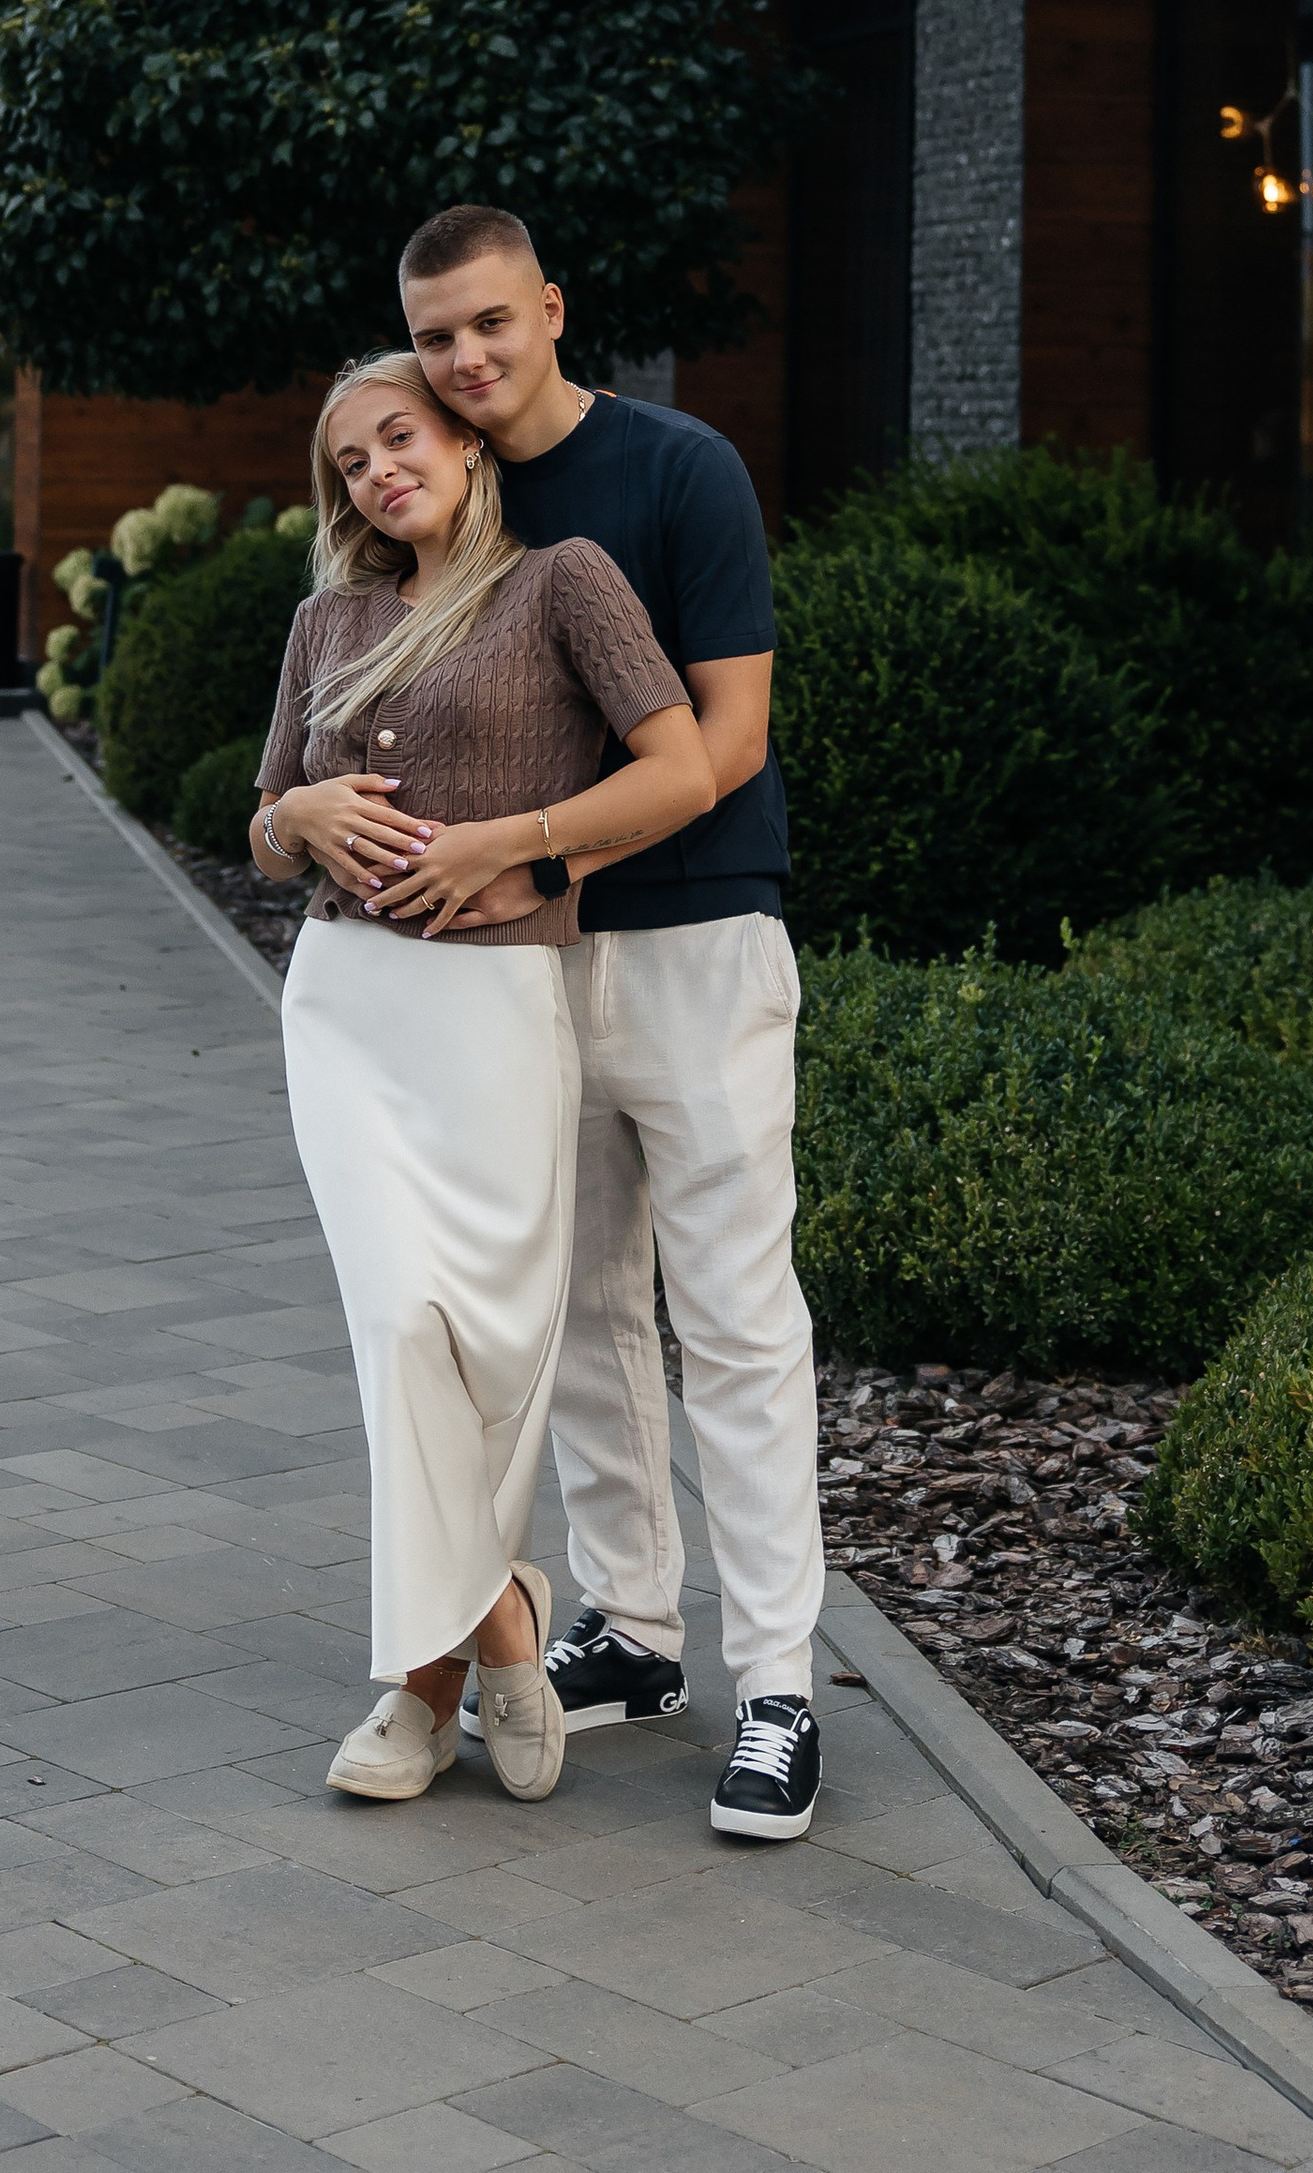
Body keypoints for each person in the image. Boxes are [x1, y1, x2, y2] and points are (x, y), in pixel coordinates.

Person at [390, 202, 828, 1846]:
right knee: (572, 1310)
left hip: (698, 940)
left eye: (492, 324)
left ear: (554, 310)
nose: (468, 361)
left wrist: (519, 845)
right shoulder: (445, 494)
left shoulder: (679, 472)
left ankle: (777, 1683)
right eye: (438, 337)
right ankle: (636, 1630)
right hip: (515, 975)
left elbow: (724, 742)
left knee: (733, 1315)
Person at [246, 347, 715, 1808]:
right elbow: (261, 823)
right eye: (352, 463)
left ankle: (463, 1650)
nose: (380, 471)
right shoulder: (327, 620)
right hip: (349, 1011)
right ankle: (457, 1658)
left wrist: (522, 849)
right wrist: (301, 813)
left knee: (492, 1355)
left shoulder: (565, 581)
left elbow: (682, 769)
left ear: (461, 440)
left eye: (399, 438)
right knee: (401, 1326)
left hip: (504, 1009)